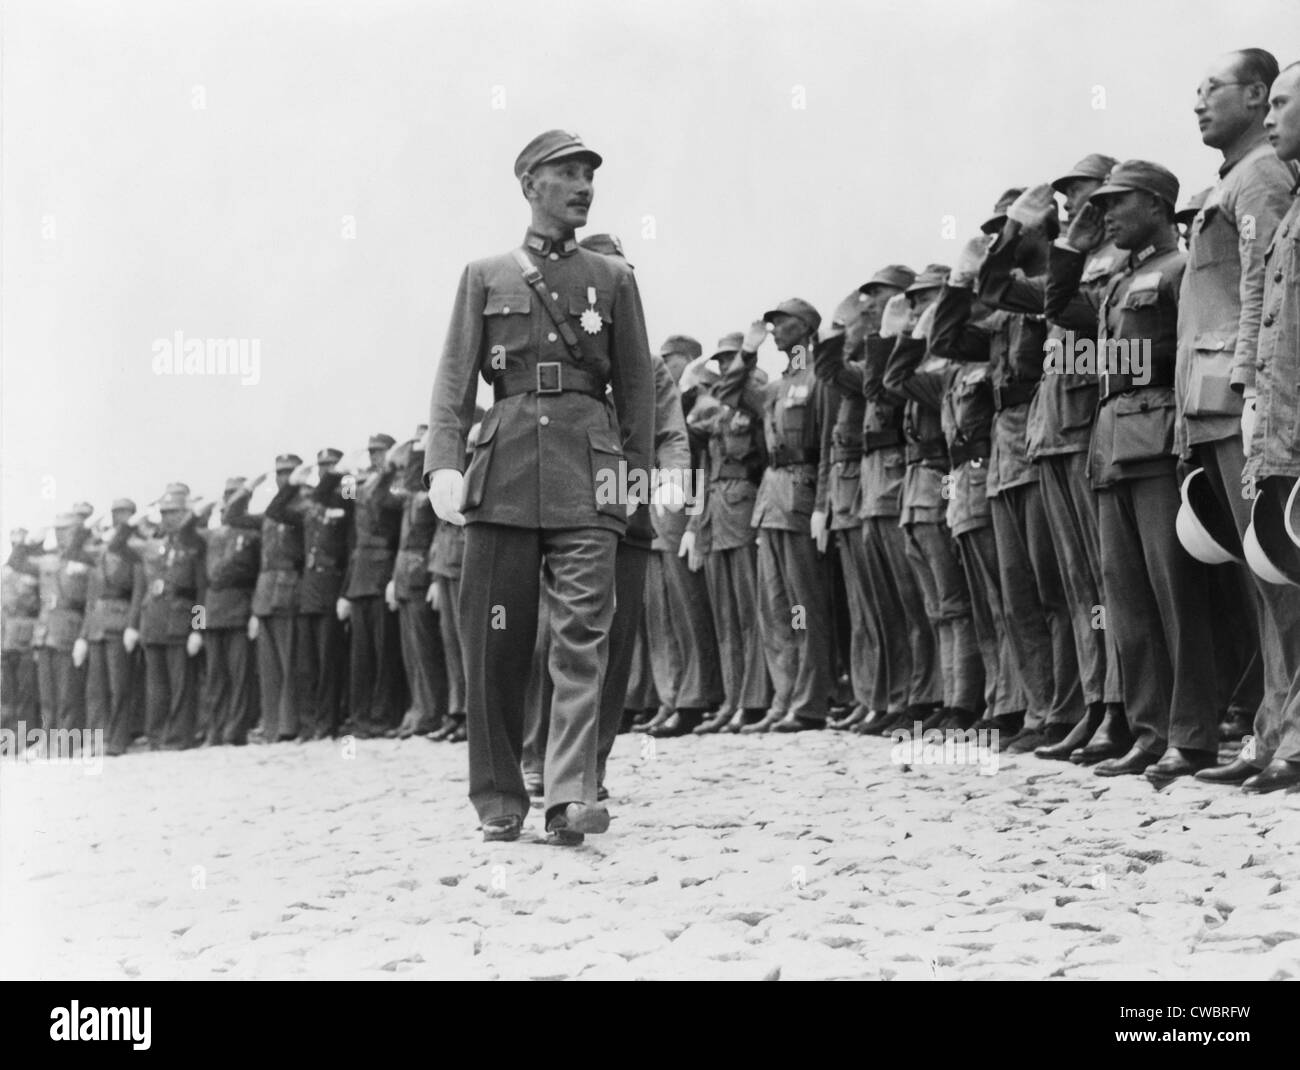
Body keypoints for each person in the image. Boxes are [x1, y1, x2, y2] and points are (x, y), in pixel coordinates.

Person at [424, 129, 654, 844]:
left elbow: (639, 393)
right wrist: (443, 464)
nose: (584, 186)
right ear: (530, 185)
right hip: (505, 467)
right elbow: (455, 383)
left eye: (590, 175)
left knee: (583, 635)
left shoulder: (614, 279)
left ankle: (569, 797)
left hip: (589, 471)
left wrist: (630, 488)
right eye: (568, 174)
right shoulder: (484, 274)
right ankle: (498, 797)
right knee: (496, 638)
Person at [1052, 160, 1220, 778]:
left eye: (1117, 202)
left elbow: (1184, 352)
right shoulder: (1121, 280)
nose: (1106, 214)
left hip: (1156, 440)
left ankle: (1193, 733)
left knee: (1176, 595)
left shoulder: (1179, 269)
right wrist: (1071, 241)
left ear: (1155, 203)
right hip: (1112, 445)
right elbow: (1059, 306)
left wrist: (1183, 438)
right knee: (1128, 601)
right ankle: (1150, 733)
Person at [1177, 49, 1300, 778]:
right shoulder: (1238, 179)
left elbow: (1265, 294)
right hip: (1232, 397)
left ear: (1257, 96)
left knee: (1281, 575)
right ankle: (1271, 730)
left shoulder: (1259, 177)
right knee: (1265, 578)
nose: (1198, 102)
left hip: (1249, 399)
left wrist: (1252, 387)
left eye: (1212, 89)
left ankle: (1284, 737)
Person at [931, 189, 1082, 752]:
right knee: (1018, 595)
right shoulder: (1006, 308)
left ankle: (1065, 710)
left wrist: (998, 259)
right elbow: (945, 340)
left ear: (1038, 230)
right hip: (1003, 448)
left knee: (1054, 589)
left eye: (1010, 232)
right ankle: (1037, 709)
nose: (1001, 244)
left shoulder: (1049, 288)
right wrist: (958, 279)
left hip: (1041, 435)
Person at [1232, 60, 1300, 793]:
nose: (1271, 117)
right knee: (1283, 572)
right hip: (1282, 414)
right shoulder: (1292, 208)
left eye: (1283, 103)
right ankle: (1283, 729)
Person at [721, 298, 835, 732]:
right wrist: (747, 354)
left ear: (805, 329)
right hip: (770, 503)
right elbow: (729, 395)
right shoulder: (775, 387)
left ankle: (809, 704)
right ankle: (783, 699)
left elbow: (827, 444)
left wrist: (823, 505)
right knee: (776, 608)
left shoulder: (818, 378)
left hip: (801, 499)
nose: (774, 330)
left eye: (781, 323)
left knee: (805, 607)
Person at [879, 268, 984, 731]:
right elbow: (891, 380)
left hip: (943, 484)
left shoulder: (948, 362)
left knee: (954, 602)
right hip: (917, 490)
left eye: (924, 300)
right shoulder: (931, 362)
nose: (916, 308)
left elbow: (894, 381)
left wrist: (923, 333)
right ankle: (947, 695)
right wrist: (903, 334)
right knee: (937, 606)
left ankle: (963, 701)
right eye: (914, 301)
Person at [685, 334, 772, 733]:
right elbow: (690, 428)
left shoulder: (756, 401)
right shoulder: (718, 413)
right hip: (719, 514)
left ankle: (755, 700)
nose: (723, 369)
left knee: (754, 612)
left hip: (746, 507)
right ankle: (733, 699)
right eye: (718, 363)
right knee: (727, 617)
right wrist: (690, 384)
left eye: (730, 362)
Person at [226, 456, 304, 742]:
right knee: (269, 666)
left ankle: (289, 725)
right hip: (266, 591)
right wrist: (247, 489)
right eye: (280, 474)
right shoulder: (269, 516)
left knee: (289, 661)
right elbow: (231, 517)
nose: (282, 478)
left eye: (288, 473)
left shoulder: (301, 508)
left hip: (289, 588)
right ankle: (272, 725)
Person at [127, 488, 206, 750]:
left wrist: (198, 628)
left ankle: (179, 737)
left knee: (181, 685)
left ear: (185, 513)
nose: (168, 517)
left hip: (180, 622)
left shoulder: (194, 543)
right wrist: (136, 519)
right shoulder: (151, 545)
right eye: (164, 513)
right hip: (154, 621)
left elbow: (201, 591)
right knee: (156, 687)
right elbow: (119, 543)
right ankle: (156, 736)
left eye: (174, 512)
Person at [340, 433, 405, 738]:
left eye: (380, 452)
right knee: (360, 655)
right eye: (372, 453)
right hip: (360, 576)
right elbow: (344, 497)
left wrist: (389, 468)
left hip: (381, 572)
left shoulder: (393, 482)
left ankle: (381, 716)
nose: (374, 457)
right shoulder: (362, 485)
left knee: (383, 652)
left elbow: (383, 501)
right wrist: (346, 470)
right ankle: (360, 715)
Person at [387, 427, 450, 739]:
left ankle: (431, 711)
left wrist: (420, 446)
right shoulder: (413, 497)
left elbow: (439, 535)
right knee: (412, 652)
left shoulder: (431, 494)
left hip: (422, 574)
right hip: (405, 576)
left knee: (427, 652)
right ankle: (418, 710)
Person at [288, 449, 352, 740]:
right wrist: (291, 484)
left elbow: (351, 543)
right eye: (323, 466)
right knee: (306, 665)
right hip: (309, 592)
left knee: (329, 664)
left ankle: (329, 723)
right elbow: (276, 511)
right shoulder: (313, 505)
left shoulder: (345, 496)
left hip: (330, 587)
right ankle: (309, 724)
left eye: (331, 466)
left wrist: (345, 593)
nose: (326, 471)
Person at [197, 478, 261, 746]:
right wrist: (198, 625)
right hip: (212, 612)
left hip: (239, 609)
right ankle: (215, 729)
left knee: (239, 676)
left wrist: (254, 613)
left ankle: (234, 731)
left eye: (234, 496)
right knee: (215, 677)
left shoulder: (253, 534)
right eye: (227, 497)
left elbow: (259, 574)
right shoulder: (211, 536)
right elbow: (200, 585)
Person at [78, 500, 142, 755]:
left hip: (119, 622)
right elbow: (90, 600)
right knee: (96, 689)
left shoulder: (132, 553)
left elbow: (138, 593)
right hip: (97, 627)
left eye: (121, 517)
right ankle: (99, 740)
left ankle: (118, 740)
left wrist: (132, 626)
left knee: (120, 687)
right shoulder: (97, 556)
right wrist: (83, 636)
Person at [33, 512, 95, 736]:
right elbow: (20, 560)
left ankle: (68, 740)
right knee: (47, 694)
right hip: (46, 629)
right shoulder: (49, 559)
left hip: (70, 628)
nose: (60, 535)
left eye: (66, 530)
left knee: (68, 692)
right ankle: (49, 739)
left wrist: (83, 637)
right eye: (57, 530)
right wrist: (35, 540)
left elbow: (91, 603)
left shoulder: (87, 560)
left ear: (78, 532)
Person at [2, 529, 42, 734]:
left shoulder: (35, 571)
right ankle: (10, 737)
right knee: (9, 693)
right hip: (8, 639)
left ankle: (27, 736)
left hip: (27, 637)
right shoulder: (5, 572)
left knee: (27, 692)